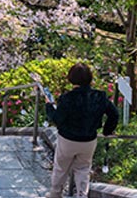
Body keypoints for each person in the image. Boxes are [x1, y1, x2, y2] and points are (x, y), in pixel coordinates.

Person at [45, 63, 119, 198]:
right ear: (90, 78)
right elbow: (114, 114)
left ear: (71, 78)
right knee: (83, 169)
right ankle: (81, 195)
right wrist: (107, 130)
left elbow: (57, 119)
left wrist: (49, 106)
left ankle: (55, 194)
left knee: (61, 168)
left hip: (67, 139)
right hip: (89, 140)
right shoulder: (100, 96)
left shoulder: (67, 98)